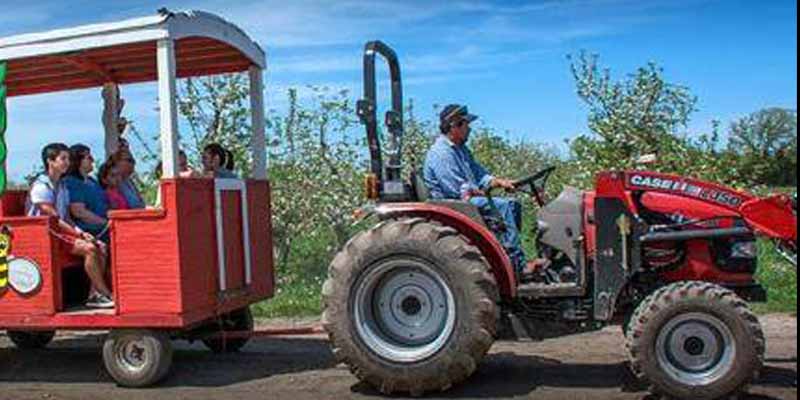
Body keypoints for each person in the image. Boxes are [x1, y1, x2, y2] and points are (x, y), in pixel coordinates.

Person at [423, 104, 547, 279]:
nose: (470, 129)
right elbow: (459, 190)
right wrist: (485, 192)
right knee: (502, 206)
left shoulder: (461, 150)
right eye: (466, 124)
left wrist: (501, 182)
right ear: (454, 125)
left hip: (465, 200)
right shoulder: (441, 153)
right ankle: (516, 264)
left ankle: (513, 257)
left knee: (513, 205)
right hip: (454, 204)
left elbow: (480, 175)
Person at [26, 143, 114, 309]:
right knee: (89, 248)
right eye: (63, 158)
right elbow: (53, 218)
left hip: (59, 233)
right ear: (50, 161)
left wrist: (81, 232)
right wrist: (78, 235)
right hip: (43, 236)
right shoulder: (41, 186)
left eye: (68, 158)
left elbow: (66, 216)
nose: (67, 162)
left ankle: (94, 294)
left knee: (100, 246)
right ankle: (104, 293)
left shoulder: (63, 185)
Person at [64, 144, 111, 242]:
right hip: (90, 230)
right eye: (89, 157)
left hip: (104, 226)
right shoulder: (72, 182)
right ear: (78, 160)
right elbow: (79, 212)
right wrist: (106, 223)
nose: (93, 160)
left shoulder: (91, 181)